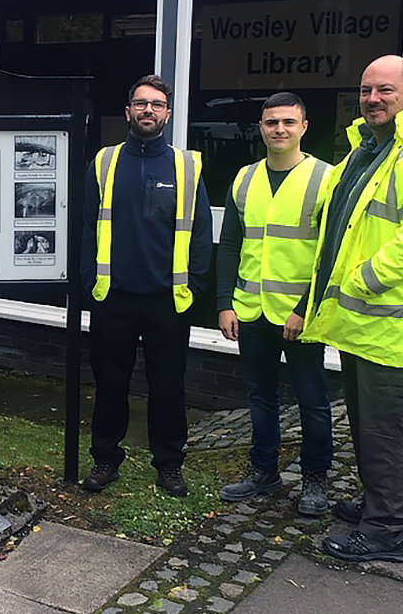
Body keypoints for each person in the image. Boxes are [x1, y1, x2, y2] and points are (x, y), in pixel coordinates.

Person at [298, 55, 403, 562]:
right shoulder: (369, 151)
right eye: (367, 90)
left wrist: (362, 281)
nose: (372, 99)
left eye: (385, 90)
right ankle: (381, 503)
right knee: (370, 426)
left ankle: (388, 531)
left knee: (389, 431)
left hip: (394, 328)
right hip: (364, 325)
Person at [80, 74, 213, 496]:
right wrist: (88, 281)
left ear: (168, 114)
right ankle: (105, 460)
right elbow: (85, 228)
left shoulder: (186, 167)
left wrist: (194, 285)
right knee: (110, 386)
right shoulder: (103, 163)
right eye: (141, 104)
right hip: (113, 298)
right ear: (128, 112)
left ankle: (170, 465)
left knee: (168, 388)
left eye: (156, 105)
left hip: (167, 301)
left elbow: (202, 233)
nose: (148, 111)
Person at [216, 92, 334, 516]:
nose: (279, 129)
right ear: (261, 128)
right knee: (260, 397)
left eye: (288, 122)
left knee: (312, 401)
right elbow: (230, 244)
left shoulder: (326, 178)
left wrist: (305, 307)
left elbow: (330, 252)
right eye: (271, 123)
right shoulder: (245, 178)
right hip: (250, 310)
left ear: (304, 127)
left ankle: (315, 479)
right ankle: (264, 470)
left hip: (300, 315)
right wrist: (224, 303)